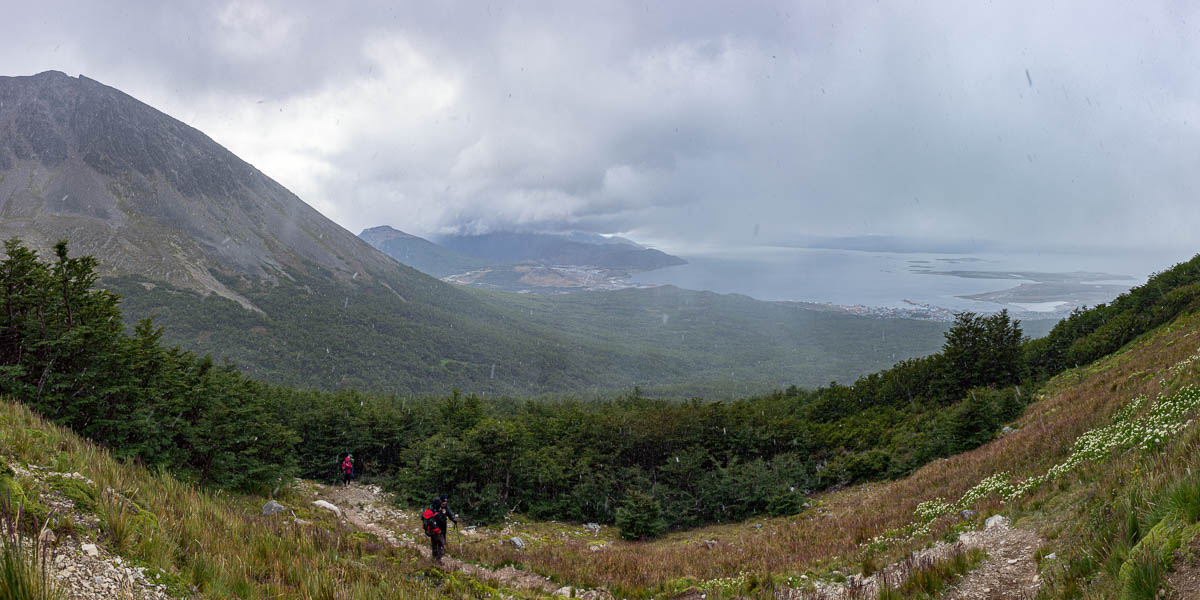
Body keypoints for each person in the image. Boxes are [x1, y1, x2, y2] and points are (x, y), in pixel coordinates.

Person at [422, 494, 458, 563]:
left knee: (436, 542)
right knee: (440, 543)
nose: (445, 504)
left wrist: (453, 519)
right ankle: (438, 559)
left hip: (436, 528)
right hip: (437, 528)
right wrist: (443, 514)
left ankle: (435, 557)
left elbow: (449, 512)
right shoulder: (436, 507)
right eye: (444, 502)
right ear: (440, 502)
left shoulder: (441, 506)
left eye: (446, 502)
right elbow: (439, 519)